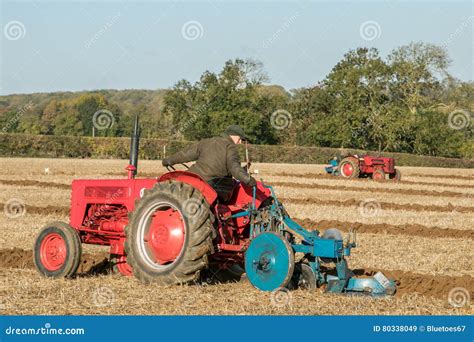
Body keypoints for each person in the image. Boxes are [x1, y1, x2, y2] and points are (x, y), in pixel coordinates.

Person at [162, 125, 257, 194]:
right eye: (240, 139)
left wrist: (169, 160)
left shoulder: (206, 142)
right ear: (233, 135)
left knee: (170, 189)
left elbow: (185, 154)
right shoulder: (230, 148)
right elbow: (235, 170)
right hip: (216, 187)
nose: (240, 142)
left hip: (196, 180)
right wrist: (249, 180)